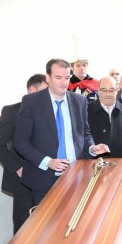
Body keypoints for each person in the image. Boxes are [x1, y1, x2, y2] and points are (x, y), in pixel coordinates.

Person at [13, 59, 110, 205]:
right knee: (46, 225)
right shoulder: (31, 102)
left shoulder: (79, 101)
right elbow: (20, 142)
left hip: (76, 176)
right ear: (48, 78)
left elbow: (84, 133)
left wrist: (92, 148)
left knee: (75, 223)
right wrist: (48, 161)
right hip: (43, 179)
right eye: (58, 78)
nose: (64, 83)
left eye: (67, 78)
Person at [0, 74, 48, 234]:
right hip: (23, 184)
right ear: (31, 90)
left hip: (48, 181)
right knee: (24, 230)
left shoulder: (51, 112)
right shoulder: (11, 111)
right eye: (44, 91)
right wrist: (19, 169)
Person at [87, 77, 122, 158]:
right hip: (93, 167)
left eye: (111, 90)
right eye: (104, 90)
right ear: (98, 90)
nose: (108, 94)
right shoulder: (85, 110)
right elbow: (81, 139)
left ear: (117, 90)